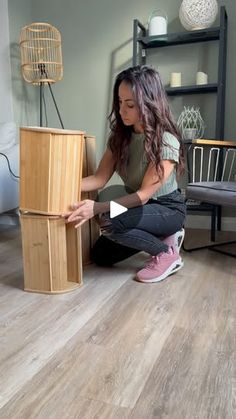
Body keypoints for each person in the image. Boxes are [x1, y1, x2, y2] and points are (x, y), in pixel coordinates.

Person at [64, 65, 186, 283]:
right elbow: (99, 179)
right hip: (139, 207)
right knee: (100, 256)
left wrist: (96, 209)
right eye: (120, 103)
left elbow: (143, 196)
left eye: (130, 105)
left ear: (149, 103)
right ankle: (162, 237)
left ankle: (167, 253)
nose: (122, 111)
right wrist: (61, 184)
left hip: (166, 209)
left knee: (111, 220)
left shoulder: (165, 142)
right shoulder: (120, 137)